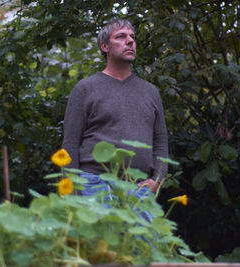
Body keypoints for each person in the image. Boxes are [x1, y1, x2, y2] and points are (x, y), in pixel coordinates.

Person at [62, 18, 168, 196]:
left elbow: (161, 141)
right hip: (93, 185)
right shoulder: (85, 88)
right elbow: (70, 143)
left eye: (132, 37)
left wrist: (157, 180)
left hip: (140, 187)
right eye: (121, 36)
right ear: (105, 46)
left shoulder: (150, 92)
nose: (130, 41)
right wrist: (72, 191)